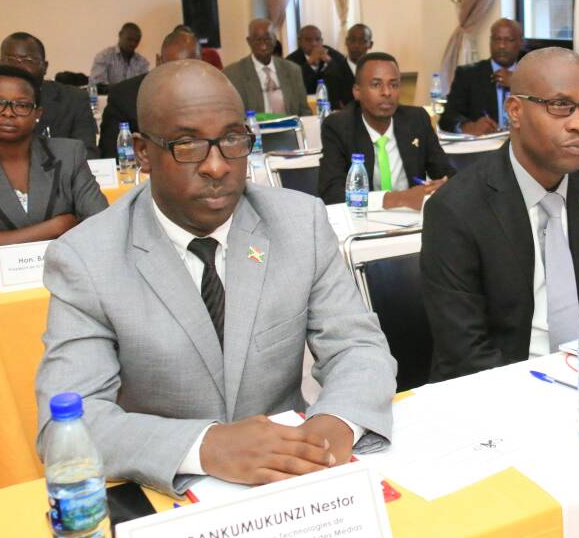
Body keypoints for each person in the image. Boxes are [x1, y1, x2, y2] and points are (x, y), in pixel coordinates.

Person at [35, 60, 397, 496]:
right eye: (187, 144)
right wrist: (206, 446)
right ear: (143, 152)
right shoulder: (87, 257)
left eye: (231, 140)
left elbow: (357, 347)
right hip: (167, 491)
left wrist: (333, 424)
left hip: (294, 482)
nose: (217, 166)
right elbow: (65, 425)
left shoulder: (299, 223)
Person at [421, 48, 579, 381]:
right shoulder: (456, 208)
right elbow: (465, 353)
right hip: (499, 388)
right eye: (560, 106)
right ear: (515, 111)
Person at [0, 65, 107, 252]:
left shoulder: (69, 154)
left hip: (66, 266)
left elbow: (101, 222)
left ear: (37, 114)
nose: (8, 112)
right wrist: (53, 228)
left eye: (21, 105)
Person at [318, 52, 455, 209]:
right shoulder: (338, 127)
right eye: (376, 85)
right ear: (357, 91)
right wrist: (398, 199)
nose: (387, 92)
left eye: (393, 85)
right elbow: (331, 194)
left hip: (412, 217)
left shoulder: (416, 120)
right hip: (363, 217)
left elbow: (447, 174)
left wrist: (442, 186)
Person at [0, 32, 98, 158]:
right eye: (9, 60)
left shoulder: (73, 99)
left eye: (27, 60)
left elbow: (87, 153)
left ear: (44, 67)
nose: (17, 67)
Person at [98, 29, 201, 158]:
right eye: (174, 68)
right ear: (159, 61)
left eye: (190, 69)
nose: (181, 77)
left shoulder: (214, 95)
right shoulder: (125, 96)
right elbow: (111, 155)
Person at [439, 18, 524, 135]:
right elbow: (447, 118)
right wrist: (468, 127)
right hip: (485, 144)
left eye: (509, 40)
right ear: (490, 41)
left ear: (520, 43)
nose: (502, 46)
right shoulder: (468, 74)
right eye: (497, 39)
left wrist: (517, 83)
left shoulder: (531, 76)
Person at [223, 18, 312, 117]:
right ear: (249, 41)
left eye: (268, 39)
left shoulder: (293, 70)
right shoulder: (233, 74)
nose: (263, 45)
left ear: (274, 40)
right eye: (258, 40)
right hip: (255, 126)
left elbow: (304, 111)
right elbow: (232, 116)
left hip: (290, 126)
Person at [286, 25, 355, 109]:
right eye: (308, 40)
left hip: (332, 103)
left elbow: (345, 71)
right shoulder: (291, 60)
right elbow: (293, 84)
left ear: (322, 41)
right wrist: (309, 64)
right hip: (304, 105)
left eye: (317, 39)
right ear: (299, 41)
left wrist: (329, 62)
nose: (314, 43)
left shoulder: (331, 53)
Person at [89, 22, 151, 87]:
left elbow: (144, 87)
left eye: (137, 41)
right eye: (129, 39)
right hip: (108, 94)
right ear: (120, 35)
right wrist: (118, 90)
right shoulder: (104, 56)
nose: (133, 44)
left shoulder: (142, 62)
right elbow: (97, 85)